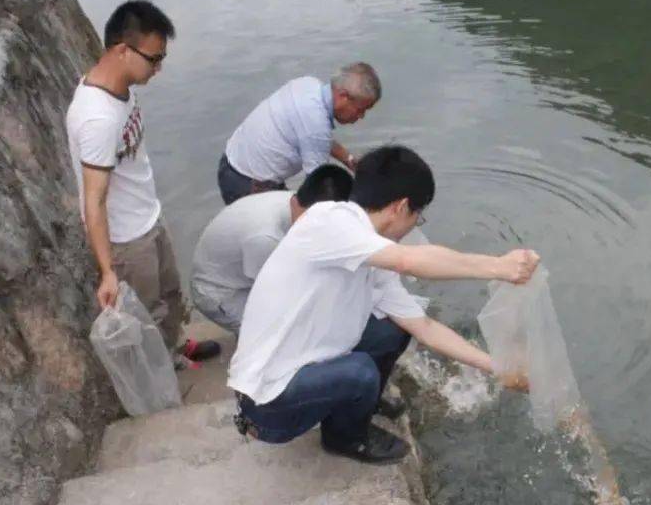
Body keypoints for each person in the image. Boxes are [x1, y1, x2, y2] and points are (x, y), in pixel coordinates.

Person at [228, 145, 537, 464]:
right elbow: (409, 260)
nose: (415, 226)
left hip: (299, 373)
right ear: (402, 208)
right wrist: (499, 267)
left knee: (393, 330)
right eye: (419, 216)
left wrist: (499, 367)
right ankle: (345, 439)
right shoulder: (328, 222)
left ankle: (362, 402)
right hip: (265, 409)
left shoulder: (369, 254)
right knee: (360, 372)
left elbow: (425, 328)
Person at [66, 0, 219, 367]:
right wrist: (107, 271)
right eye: (154, 58)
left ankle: (176, 348)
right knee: (146, 313)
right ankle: (162, 373)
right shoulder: (97, 118)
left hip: (148, 218)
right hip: (127, 241)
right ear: (122, 50)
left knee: (170, 296)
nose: (159, 68)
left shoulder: (122, 89)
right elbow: (94, 200)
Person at [191, 164, 353, 335]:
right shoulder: (265, 237)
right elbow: (273, 295)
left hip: (245, 269)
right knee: (277, 334)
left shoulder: (298, 200)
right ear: (295, 202)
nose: (314, 228)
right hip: (221, 291)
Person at [217, 62, 380, 205]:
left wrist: (349, 160)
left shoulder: (308, 85)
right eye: (360, 109)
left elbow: (314, 138)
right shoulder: (316, 125)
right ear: (343, 96)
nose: (361, 117)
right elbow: (318, 187)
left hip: (231, 163)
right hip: (247, 185)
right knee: (291, 234)